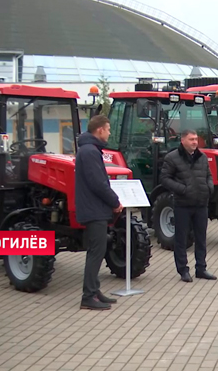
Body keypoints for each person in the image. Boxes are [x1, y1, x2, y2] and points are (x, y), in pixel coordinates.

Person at [75, 115, 123, 310]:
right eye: (108, 129)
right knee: (96, 252)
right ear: (100, 130)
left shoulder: (90, 150)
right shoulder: (89, 152)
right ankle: (88, 296)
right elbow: (98, 183)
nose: (110, 132)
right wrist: (114, 201)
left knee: (99, 251)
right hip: (94, 210)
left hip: (95, 209)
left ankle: (95, 290)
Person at [160, 129, 217, 282]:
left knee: (201, 238)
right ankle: (183, 270)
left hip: (201, 204)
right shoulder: (172, 158)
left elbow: (209, 175)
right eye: (191, 139)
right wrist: (182, 189)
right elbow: (165, 178)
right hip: (182, 204)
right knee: (181, 239)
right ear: (183, 140)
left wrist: (209, 188)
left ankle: (201, 268)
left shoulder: (202, 157)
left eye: (196, 139)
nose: (194, 142)